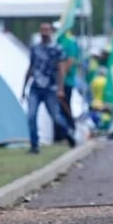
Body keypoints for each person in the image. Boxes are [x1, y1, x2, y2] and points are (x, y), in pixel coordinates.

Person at [22, 22, 74, 153]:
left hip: (50, 88)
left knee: (56, 116)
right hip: (36, 88)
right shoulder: (35, 49)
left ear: (51, 32)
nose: (44, 33)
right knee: (31, 116)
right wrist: (24, 87)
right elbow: (31, 68)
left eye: (47, 30)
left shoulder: (57, 49)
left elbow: (61, 70)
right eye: (42, 30)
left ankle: (68, 133)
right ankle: (34, 145)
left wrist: (60, 88)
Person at [55, 31, 81, 143]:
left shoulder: (69, 42)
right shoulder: (59, 41)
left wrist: (61, 80)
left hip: (66, 82)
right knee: (59, 109)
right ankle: (62, 135)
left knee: (65, 108)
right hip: (59, 82)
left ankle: (69, 132)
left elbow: (69, 62)